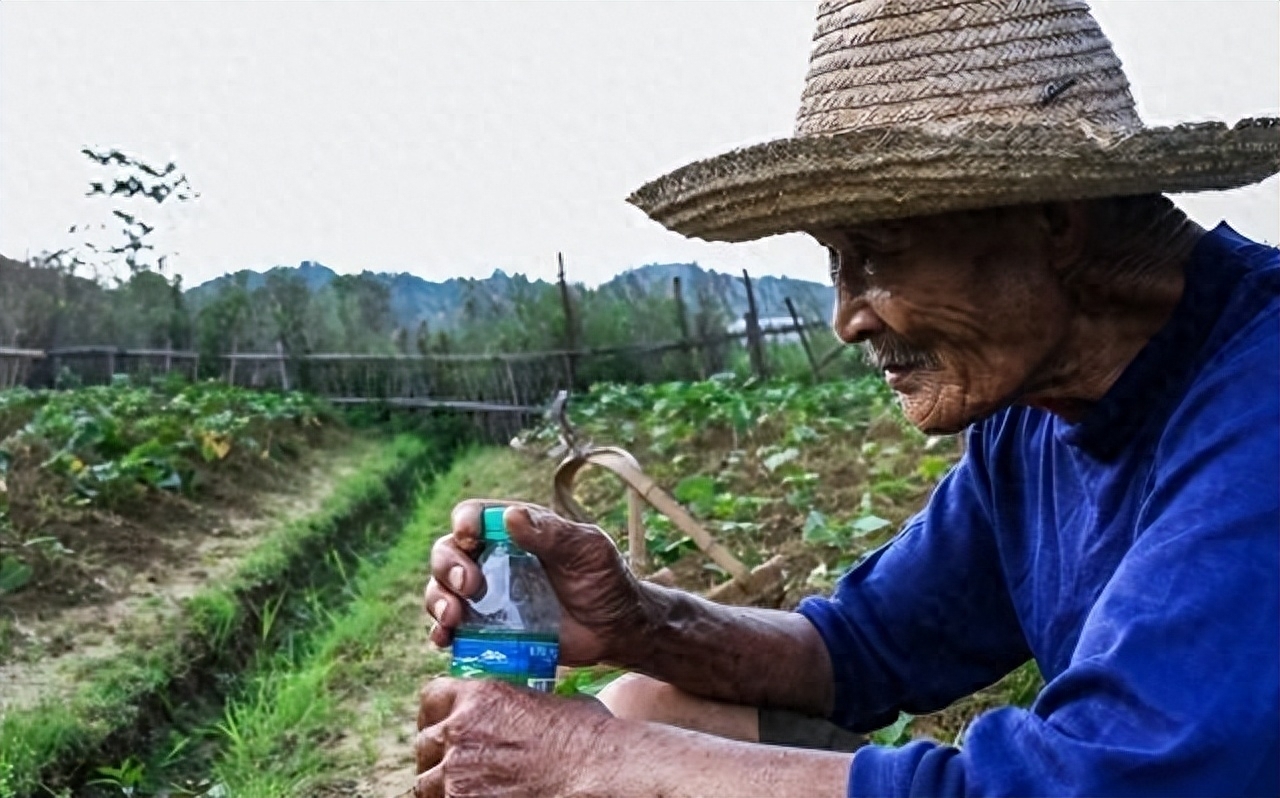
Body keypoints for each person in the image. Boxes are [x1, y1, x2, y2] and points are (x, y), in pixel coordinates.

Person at [414, 1, 1280, 796]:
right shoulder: (1038, 414)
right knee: (647, 705)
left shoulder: (1259, 394)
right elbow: (861, 648)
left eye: (877, 251)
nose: (845, 318)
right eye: (835, 260)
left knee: (624, 749)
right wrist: (640, 620)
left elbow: (1106, 782)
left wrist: (589, 761)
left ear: (1053, 219)